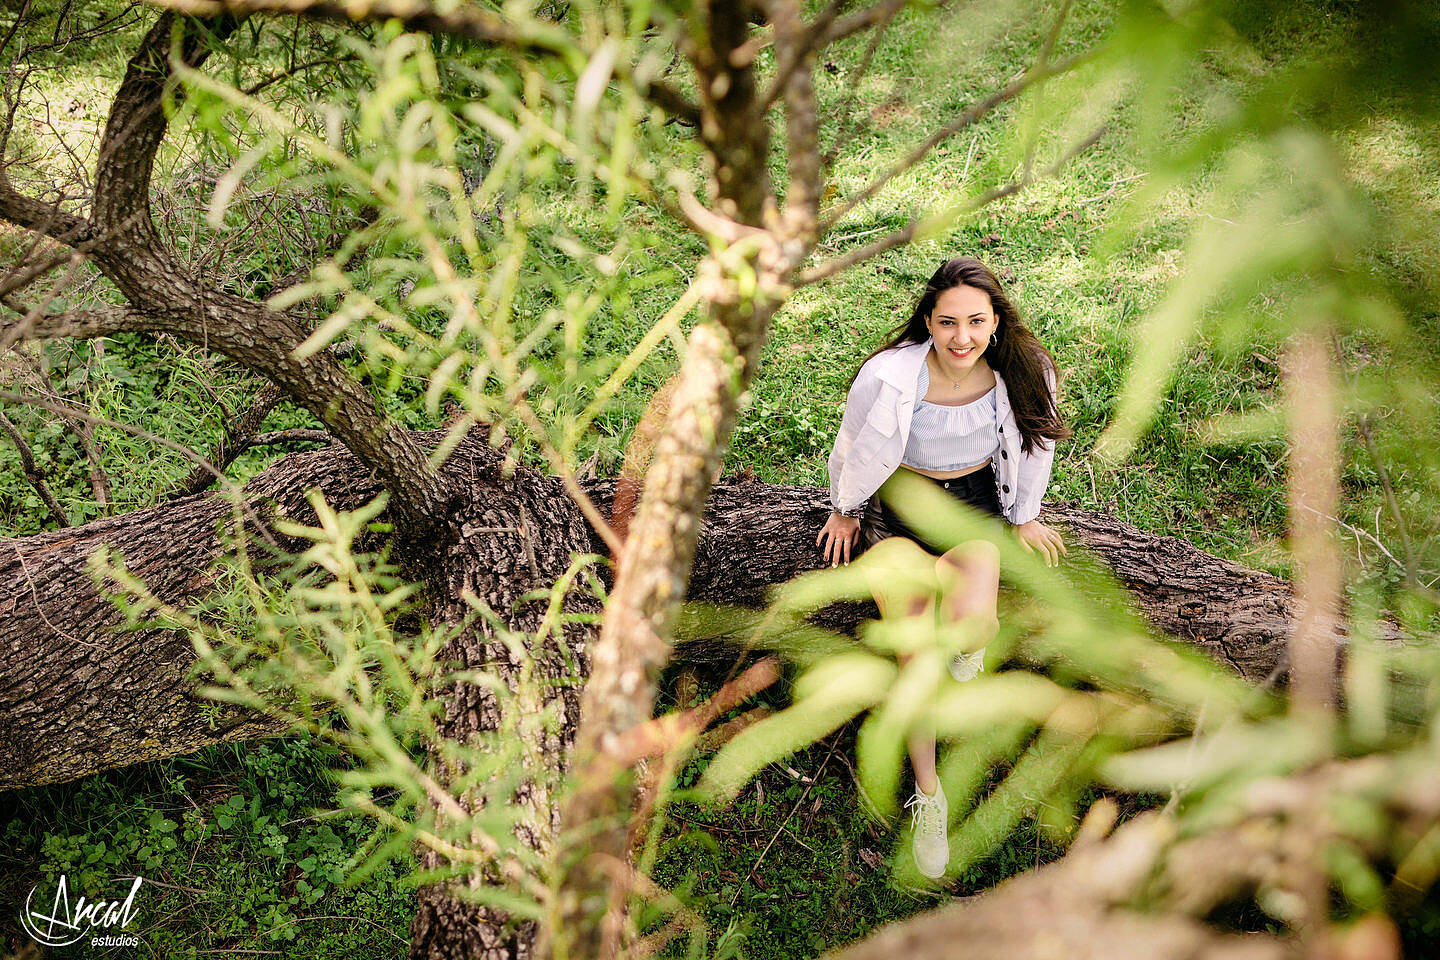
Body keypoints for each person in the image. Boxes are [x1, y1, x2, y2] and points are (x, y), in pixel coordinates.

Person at [815, 255, 1071, 880]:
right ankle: (930, 796)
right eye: (948, 322)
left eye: (975, 322)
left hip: (974, 512)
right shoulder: (890, 376)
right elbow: (855, 442)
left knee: (973, 624)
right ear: (927, 321)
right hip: (898, 511)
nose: (962, 337)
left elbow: (1038, 443)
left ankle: (967, 649)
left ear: (996, 321)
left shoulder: (1024, 370)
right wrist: (845, 511)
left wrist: (1026, 515)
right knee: (915, 658)